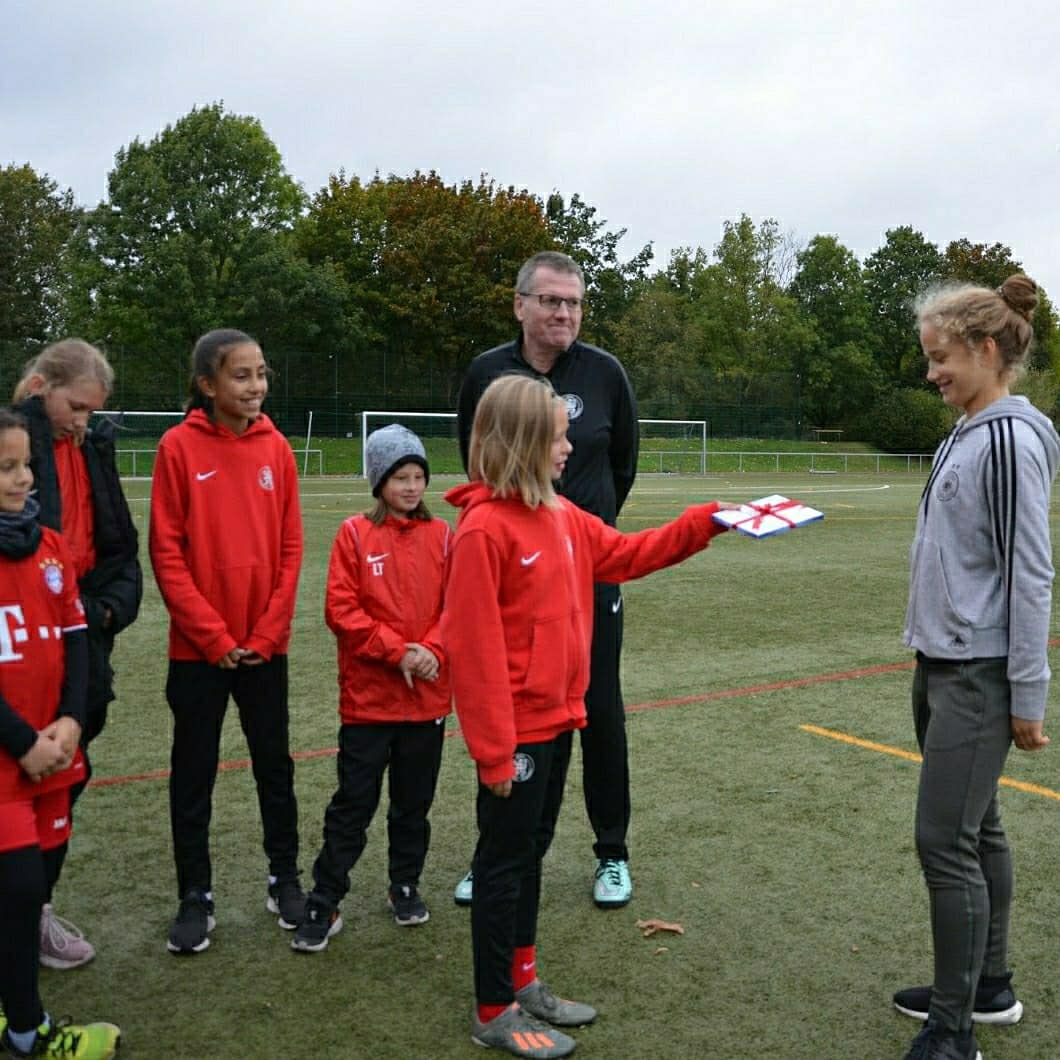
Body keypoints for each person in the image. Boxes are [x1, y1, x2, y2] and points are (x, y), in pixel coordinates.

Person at [442, 375, 733, 1058]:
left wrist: (708, 521)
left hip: (557, 720)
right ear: (523, 442)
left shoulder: (564, 516)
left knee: (531, 854)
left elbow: (626, 555)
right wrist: (493, 753)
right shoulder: (483, 530)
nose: (569, 447)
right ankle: (493, 1009)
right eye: (557, 436)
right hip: (514, 736)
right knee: (502, 864)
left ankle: (523, 982)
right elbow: (474, 653)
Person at [894, 275, 1057, 1060]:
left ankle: (954, 1034)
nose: (932, 373)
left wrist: (1028, 692)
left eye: (942, 357)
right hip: (942, 662)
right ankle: (985, 986)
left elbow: (1030, 572)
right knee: (977, 826)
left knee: (944, 843)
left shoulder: (1007, 442)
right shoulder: (968, 431)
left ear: (987, 350)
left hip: (978, 673)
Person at [455, 250, 640, 910]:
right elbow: (477, 460)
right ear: (520, 305)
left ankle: (611, 852)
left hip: (587, 571)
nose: (565, 313)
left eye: (574, 303)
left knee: (601, 712)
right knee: (510, 711)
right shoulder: (487, 373)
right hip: (517, 581)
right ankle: (499, 849)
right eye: (552, 301)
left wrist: (575, 534)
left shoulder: (605, 374)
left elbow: (622, 468)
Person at [149, 328, 304, 956]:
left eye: (261, 373)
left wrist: (266, 633)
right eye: (242, 375)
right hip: (198, 653)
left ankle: (284, 879)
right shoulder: (177, 448)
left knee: (275, 767)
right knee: (193, 775)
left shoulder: (278, 448)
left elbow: (291, 549)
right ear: (207, 385)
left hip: (265, 650)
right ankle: (195, 896)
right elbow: (166, 553)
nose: (256, 385)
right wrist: (213, 637)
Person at [292, 425, 451, 952]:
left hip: (426, 700)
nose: (411, 486)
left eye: (418, 476)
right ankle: (325, 897)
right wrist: (397, 651)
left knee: (413, 805)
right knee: (353, 805)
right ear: (379, 481)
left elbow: (458, 605)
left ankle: (404, 884)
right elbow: (341, 610)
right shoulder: (354, 534)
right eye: (400, 476)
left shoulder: (443, 536)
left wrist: (433, 650)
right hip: (368, 703)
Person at [12, 339, 142, 971]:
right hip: (21, 640)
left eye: (94, 410)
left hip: (80, 633)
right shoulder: (15, 449)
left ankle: (34, 910)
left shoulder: (94, 447)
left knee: (67, 770)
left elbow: (120, 548)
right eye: (77, 406)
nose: (85, 420)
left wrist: (108, 610)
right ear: (41, 388)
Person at [0, 408, 122, 1060]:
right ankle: (29, 1031)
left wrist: (72, 720)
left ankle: (15, 1011)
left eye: (25, 464)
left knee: (35, 884)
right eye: (7, 468)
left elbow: (76, 639)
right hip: (10, 758)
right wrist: (23, 742)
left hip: (54, 750)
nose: (24, 478)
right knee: (19, 890)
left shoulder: (48, 545)